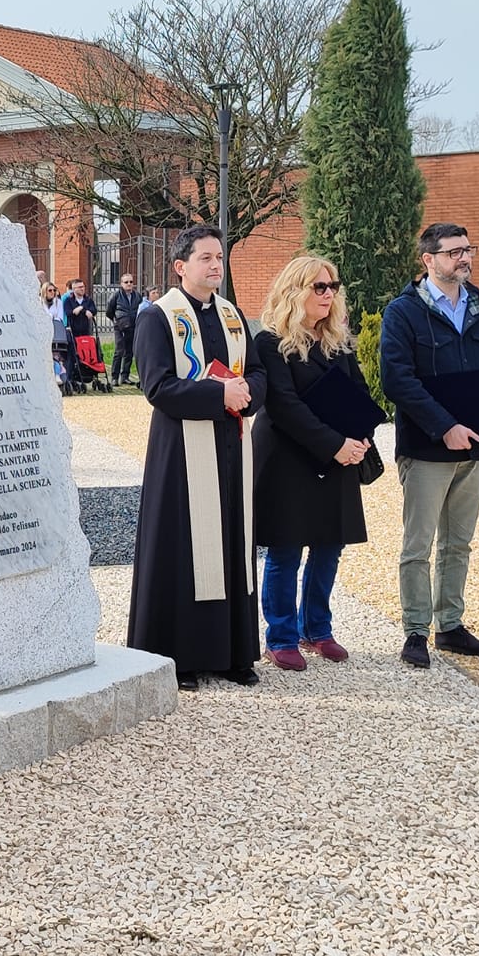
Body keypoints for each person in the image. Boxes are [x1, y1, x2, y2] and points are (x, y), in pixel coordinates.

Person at [128, 226, 264, 690]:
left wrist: (247, 393)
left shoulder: (232, 314)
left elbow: (258, 372)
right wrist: (219, 394)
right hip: (182, 453)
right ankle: (180, 657)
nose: (215, 265)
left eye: (219, 257)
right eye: (205, 258)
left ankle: (233, 654)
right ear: (180, 266)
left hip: (232, 446)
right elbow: (157, 386)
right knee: (184, 548)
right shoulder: (158, 317)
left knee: (232, 543)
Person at [379, 222, 479, 670]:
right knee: (418, 546)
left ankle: (451, 626)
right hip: (426, 450)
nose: (465, 258)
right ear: (429, 260)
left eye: (468, 250)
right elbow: (397, 380)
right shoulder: (403, 313)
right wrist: (445, 427)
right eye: (454, 252)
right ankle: (416, 631)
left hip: (475, 450)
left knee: (458, 544)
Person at [252, 255, 371, 672]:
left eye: (332, 287)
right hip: (288, 458)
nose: (328, 294)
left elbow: (358, 394)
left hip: (337, 455)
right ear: (294, 291)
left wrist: (360, 438)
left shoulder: (338, 340)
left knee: (329, 546)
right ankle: (281, 636)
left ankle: (317, 629)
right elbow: (284, 405)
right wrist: (335, 445)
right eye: (319, 287)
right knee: (286, 550)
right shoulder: (270, 342)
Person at [105, 274, 141, 385]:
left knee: (129, 352)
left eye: (131, 282)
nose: (129, 284)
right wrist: (117, 320)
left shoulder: (137, 296)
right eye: (126, 282)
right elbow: (109, 311)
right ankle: (114, 377)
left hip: (133, 326)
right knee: (119, 351)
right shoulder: (116, 295)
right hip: (120, 327)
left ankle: (125, 376)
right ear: (121, 284)